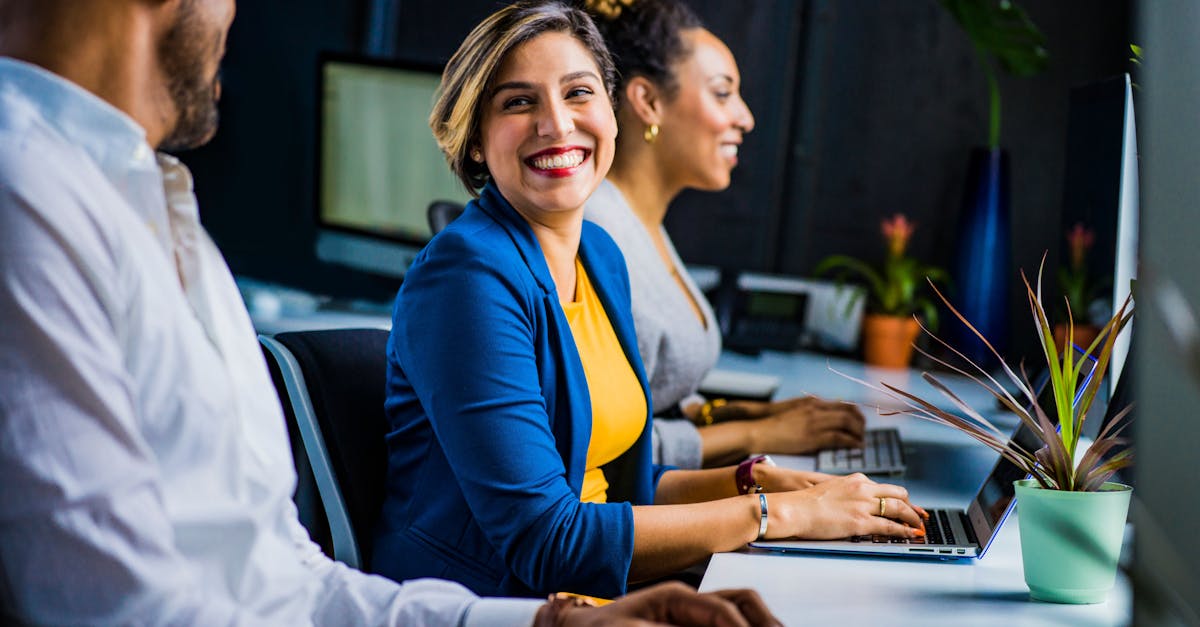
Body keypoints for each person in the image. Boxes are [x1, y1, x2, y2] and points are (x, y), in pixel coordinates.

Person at [0, 0, 779, 624]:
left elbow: (285, 573)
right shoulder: (28, 197)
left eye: (579, 93)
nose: (236, 15)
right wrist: (765, 512)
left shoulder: (158, 207)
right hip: (517, 577)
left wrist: (550, 624)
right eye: (520, 102)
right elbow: (114, 606)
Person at [374, 0, 927, 601]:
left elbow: (619, 489)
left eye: (579, 93)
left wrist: (753, 481)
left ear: (612, 113)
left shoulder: (600, 255)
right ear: (477, 140)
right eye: (518, 101)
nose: (557, 124)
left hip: (597, 592)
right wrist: (779, 515)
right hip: (494, 605)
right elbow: (546, 540)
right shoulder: (467, 278)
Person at [580, 0, 868, 470]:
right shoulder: (596, 232)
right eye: (722, 94)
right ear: (648, 102)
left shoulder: (640, 222)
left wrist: (754, 413)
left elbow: (657, 398)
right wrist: (757, 433)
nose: (746, 118)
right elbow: (601, 446)